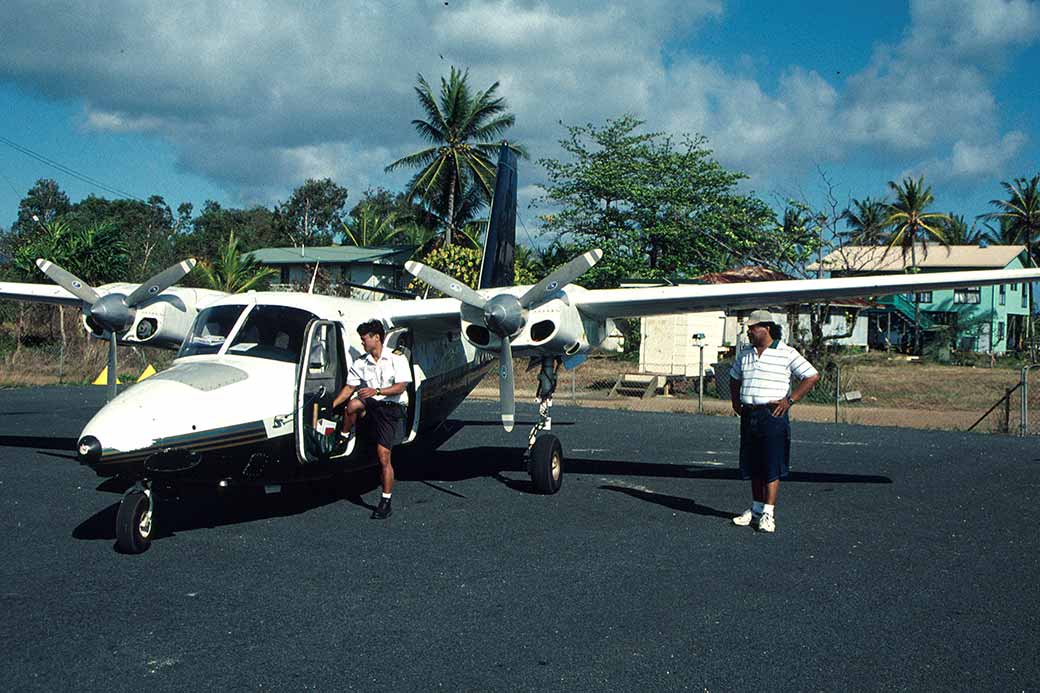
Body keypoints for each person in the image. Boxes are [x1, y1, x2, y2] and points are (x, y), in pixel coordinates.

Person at [728, 309, 819, 533]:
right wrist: (736, 402)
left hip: (772, 414)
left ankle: (768, 513)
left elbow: (811, 375)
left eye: (753, 328)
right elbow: (734, 378)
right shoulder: (745, 353)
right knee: (753, 463)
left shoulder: (786, 353)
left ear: (766, 328)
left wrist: (790, 400)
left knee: (772, 463)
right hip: (750, 414)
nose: (749, 331)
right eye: (749, 328)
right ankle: (756, 509)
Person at [332, 319, 412, 519]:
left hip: (391, 407)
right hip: (372, 404)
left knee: (383, 456)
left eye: (364, 338)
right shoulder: (361, 362)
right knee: (352, 405)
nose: (362, 342)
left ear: (377, 338)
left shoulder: (396, 358)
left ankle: (385, 501)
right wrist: (331, 405)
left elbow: (401, 387)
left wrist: (376, 391)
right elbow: (349, 388)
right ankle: (343, 437)